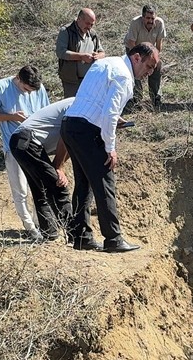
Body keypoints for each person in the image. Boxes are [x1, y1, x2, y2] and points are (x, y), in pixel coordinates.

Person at [61, 43, 160, 253]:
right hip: (87, 130)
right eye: (149, 66)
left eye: (152, 69)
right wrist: (110, 148)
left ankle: (81, 237)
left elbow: (97, 100)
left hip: (70, 125)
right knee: (105, 181)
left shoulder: (107, 63)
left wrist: (110, 118)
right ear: (136, 58)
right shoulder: (124, 76)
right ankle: (113, 239)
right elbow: (109, 115)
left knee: (84, 183)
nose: (149, 72)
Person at [0, 64, 50, 243]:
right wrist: (12, 117)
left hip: (37, 144)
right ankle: (30, 227)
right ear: (18, 79)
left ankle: (41, 223)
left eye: (32, 90)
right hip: (13, 147)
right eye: (26, 89)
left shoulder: (39, 88)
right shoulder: (0, 87)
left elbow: (46, 112)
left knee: (40, 186)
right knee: (20, 189)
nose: (29, 93)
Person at [8, 97, 76, 242]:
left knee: (41, 190)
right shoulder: (78, 106)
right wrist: (58, 167)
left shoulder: (81, 104)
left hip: (21, 142)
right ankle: (76, 235)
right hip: (28, 142)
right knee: (59, 186)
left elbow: (71, 142)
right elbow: (66, 136)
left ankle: (49, 233)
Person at [124, 4, 167, 111]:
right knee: (135, 71)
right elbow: (131, 43)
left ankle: (156, 97)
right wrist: (140, 60)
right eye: (147, 18)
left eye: (152, 18)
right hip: (134, 49)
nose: (150, 21)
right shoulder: (135, 23)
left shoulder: (160, 23)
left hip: (150, 51)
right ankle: (136, 99)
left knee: (157, 67)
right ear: (142, 17)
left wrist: (154, 61)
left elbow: (159, 45)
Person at [56, 8, 105, 98]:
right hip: (71, 80)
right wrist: (81, 57)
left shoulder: (92, 34)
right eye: (87, 23)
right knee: (71, 104)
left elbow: (102, 52)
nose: (89, 27)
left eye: (92, 24)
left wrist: (98, 56)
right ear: (79, 19)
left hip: (90, 79)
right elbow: (61, 52)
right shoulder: (66, 31)